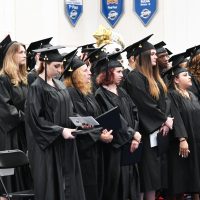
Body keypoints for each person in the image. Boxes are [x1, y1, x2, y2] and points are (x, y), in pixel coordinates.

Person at [25, 46, 86, 200]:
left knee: (70, 186)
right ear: (44, 63)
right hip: (48, 147)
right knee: (53, 187)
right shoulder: (36, 88)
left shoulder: (60, 85)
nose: (60, 70)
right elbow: (35, 120)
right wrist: (60, 131)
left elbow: (68, 111)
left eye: (61, 66)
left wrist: (81, 121)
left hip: (65, 144)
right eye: (56, 66)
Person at [124, 34, 173, 200]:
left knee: (153, 179)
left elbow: (165, 101)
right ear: (143, 57)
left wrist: (165, 121)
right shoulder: (133, 77)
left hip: (157, 133)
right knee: (144, 179)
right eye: (151, 54)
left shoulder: (155, 78)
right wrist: (163, 120)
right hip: (144, 134)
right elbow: (143, 104)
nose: (155, 57)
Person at [63, 55, 113, 200]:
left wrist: (103, 131)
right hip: (83, 151)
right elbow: (78, 121)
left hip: (95, 148)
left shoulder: (87, 92)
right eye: (85, 71)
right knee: (87, 188)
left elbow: (96, 118)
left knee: (97, 187)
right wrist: (99, 134)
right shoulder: (70, 93)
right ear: (75, 74)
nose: (90, 73)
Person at [95, 52, 142, 200]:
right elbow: (114, 118)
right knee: (117, 186)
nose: (122, 75)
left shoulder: (121, 91)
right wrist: (132, 134)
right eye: (119, 72)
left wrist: (135, 135)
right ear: (109, 73)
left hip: (130, 144)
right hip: (115, 147)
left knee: (131, 185)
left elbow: (135, 112)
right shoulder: (100, 94)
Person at [0, 35, 32, 199]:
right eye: (20, 52)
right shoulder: (2, 79)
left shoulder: (23, 79)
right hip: (9, 133)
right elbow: (6, 109)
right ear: (10, 55)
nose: (24, 54)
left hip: (23, 132)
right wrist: (28, 117)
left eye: (25, 51)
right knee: (11, 176)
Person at [166, 62, 200, 200]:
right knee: (181, 178)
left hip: (197, 140)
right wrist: (182, 138)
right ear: (175, 79)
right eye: (185, 75)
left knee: (196, 174)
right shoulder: (172, 95)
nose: (189, 77)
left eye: (189, 74)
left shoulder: (192, 95)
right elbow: (176, 117)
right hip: (183, 142)